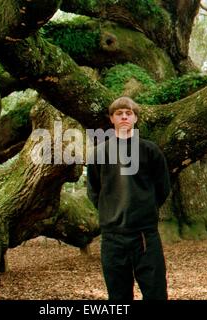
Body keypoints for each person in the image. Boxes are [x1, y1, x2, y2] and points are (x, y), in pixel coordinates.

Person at [86, 96, 171, 300]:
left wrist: (144, 208)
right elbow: (94, 191)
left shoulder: (150, 150)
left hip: (144, 235)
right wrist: (111, 212)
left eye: (128, 113)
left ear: (135, 118)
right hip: (112, 237)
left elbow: (163, 188)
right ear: (111, 119)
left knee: (155, 292)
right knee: (118, 296)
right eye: (119, 113)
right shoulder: (99, 153)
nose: (124, 117)